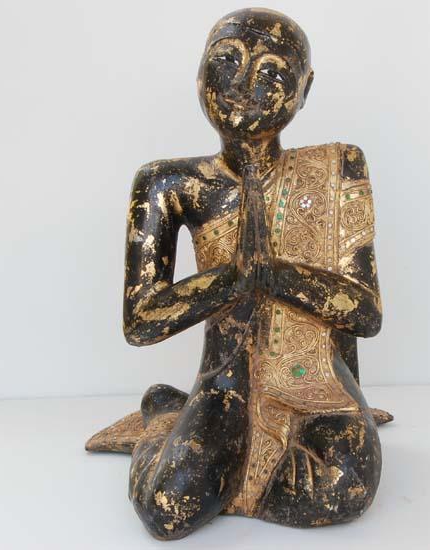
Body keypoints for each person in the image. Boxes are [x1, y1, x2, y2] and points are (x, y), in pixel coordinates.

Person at [86, 8, 391, 540]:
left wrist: (275, 275)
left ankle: (229, 472)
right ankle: (162, 420)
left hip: (310, 379)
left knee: (344, 488)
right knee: (167, 509)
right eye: (227, 60)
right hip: (223, 382)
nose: (244, 83)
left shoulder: (339, 168)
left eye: (272, 72)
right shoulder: (168, 184)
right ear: (199, 69)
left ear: (303, 90)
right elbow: (141, 321)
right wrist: (233, 280)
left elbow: (365, 314)